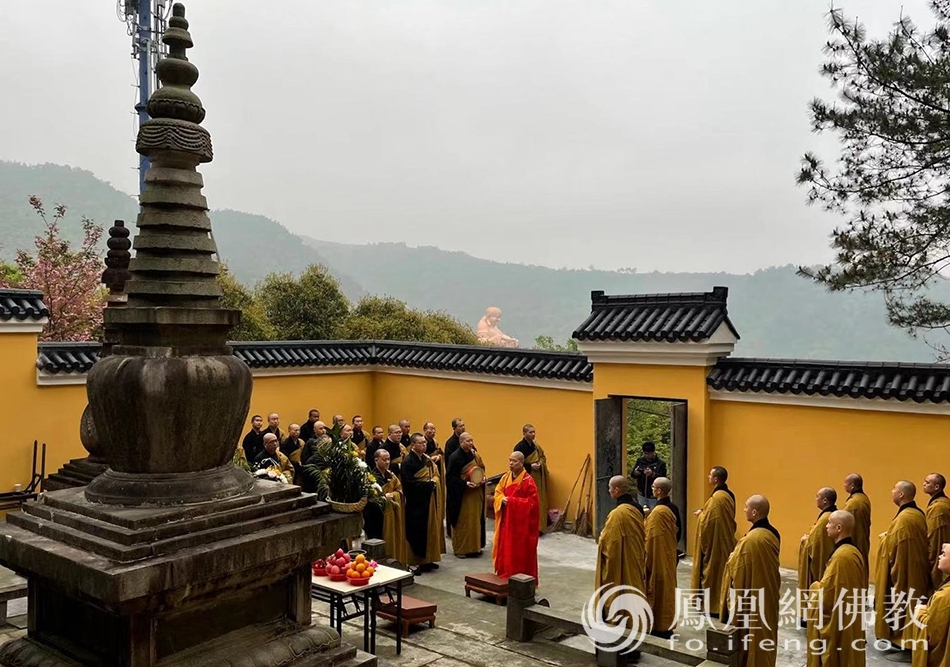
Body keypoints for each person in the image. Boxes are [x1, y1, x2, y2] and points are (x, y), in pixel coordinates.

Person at [720, 495, 781, 667]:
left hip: (751, 594)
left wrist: (732, 559)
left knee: (751, 633)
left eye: (746, 507)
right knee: (765, 632)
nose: (744, 509)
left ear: (754, 512)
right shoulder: (773, 533)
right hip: (768, 594)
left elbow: (737, 571)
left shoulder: (751, 540)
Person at [875, 480, 932, 654]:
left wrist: (885, 540)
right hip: (914, 570)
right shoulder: (914, 514)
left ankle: (904, 642)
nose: (891, 491)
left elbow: (898, 550)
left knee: (906, 603)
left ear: (901, 494)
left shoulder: (905, 519)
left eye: (894, 489)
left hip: (907, 573)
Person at [805, 510, 867, 667]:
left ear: (839, 528)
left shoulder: (842, 557)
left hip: (841, 622)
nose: (826, 526)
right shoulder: (851, 552)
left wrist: (815, 587)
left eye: (829, 523)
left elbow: (827, 597)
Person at [594, 476, 646, 654]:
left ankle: (622, 647)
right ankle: (634, 646)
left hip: (622, 565)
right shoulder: (636, 507)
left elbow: (610, 543)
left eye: (610, 488)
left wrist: (601, 539)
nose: (609, 491)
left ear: (616, 490)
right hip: (636, 562)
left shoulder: (619, 514)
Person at [690, 466, 737, 618]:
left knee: (713, 573)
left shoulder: (718, 499)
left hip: (716, 544)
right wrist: (704, 513)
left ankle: (713, 606)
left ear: (716, 479)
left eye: (710, 475)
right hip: (724, 540)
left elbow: (709, 523)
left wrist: (701, 516)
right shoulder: (728, 495)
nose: (708, 477)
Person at [493, 451, 540, 582]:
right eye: (510, 460)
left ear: (522, 463)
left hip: (520, 526)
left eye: (514, 461)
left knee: (519, 553)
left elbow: (533, 504)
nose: (511, 464)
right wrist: (501, 499)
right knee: (505, 550)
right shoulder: (505, 477)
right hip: (506, 521)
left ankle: (520, 581)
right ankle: (504, 575)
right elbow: (498, 492)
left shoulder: (528, 481)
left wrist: (513, 502)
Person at [400, 433, 441, 573]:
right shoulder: (408, 462)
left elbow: (434, 474)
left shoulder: (426, 459)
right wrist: (429, 485)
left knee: (428, 529)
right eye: (421, 443)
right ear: (413, 445)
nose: (424, 445)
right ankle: (414, 562)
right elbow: (408, 484)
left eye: (425, 443)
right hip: (415, 502)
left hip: (427, 500)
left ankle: (427, 559)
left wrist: (433, 482)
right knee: (416, 532)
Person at [797, 487, 837, 628]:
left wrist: (804, 540)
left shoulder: (826, 518)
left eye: (817, 496)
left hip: (821, 563)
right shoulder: (829, 516)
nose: (816, 499)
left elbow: (815, 544)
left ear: (825, 500)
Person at [362, 448, 408, 565]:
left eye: (388, 459)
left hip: (391, 515)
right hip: (376, 517)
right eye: (384, 460)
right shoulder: (370, 477)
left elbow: (399, 490)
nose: (387, 462)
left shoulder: (391, 475)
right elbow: (367, 499)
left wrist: (393, 495)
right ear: (376, 460)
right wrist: (383, 498)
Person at [645, 477, 678, 639]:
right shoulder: (673, 508)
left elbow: (650, 538)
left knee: (657, 589)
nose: (652, 489)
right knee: (667, 590)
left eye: (653, 487)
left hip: (657, 556)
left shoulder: (658, 513)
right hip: (670, 555)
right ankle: (666, 624)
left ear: (659, 491)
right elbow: (678, 534)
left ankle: (660, 626)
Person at [908, 542, 950, 667]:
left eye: (944, 555)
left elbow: (933, 634)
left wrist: (920, 612)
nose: (939, 557)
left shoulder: (944, 596)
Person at [446, 432, 486, 558]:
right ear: (461, 442)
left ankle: (475, 547)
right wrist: (465, 484)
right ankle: (461, 549)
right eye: (468, 441)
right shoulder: (455, 457)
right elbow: (450, 478)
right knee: (463, 521)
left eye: (471, 440)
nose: (470, 443)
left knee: (475, 520)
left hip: (475, 492)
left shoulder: (474, 454)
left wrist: (483, 478)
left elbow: (480, 469)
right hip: (463, 495)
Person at [514, 424, 549, 535]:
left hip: (537, 478)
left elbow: (543, 457)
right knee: (527, 502)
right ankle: (527, 527)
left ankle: (538, 527)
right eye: (530, 432)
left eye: (534, 432)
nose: (533, 434)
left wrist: (540, 464)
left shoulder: (536, 446)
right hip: (526, 479)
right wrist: (530, 467)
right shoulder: (519, 447)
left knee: (538, 501)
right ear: (524, 433)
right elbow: (516, 464)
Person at [843, 473, 872, 586]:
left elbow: (845, 522)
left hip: (856, 540)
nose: (844, 485)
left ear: (853, 486)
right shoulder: (863, 499)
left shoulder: (854, 503)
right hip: (862, 538)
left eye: (846, 483)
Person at [424, 421, 447, 555]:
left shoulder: (435, 442)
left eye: (434, 429)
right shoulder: (423, 443)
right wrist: (431, 459)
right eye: (430, 429)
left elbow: (440, 454)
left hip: (435, 474)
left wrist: (438, 457)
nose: (432, 431)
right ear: (425, 430)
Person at [924, 473, 950, 590]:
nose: (924, 484)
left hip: (939, 553)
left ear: (937, 487)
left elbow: (936, 539)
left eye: (927, 482)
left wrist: (930, 560)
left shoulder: (938, 508)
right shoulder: (939, 503)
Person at [631, 441, 667, 510]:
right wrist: (636, 473)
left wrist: (652, 474)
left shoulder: (660, 464)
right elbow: (633, 475)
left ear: (653, 452)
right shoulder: (640, 461)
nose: (646, 455)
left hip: (654, 496)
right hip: (641, 494)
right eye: (645, 453)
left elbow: (663, 480)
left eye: (648, 453)